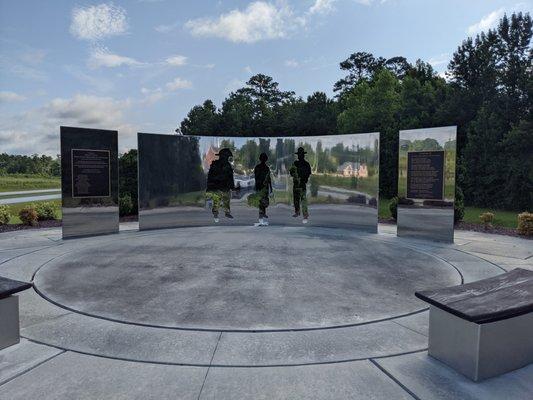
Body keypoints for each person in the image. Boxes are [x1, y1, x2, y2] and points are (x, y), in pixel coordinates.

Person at [206, 148, 237, 223]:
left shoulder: (228, 165)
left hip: (225, 187)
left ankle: (227, 213)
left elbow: (230, 177)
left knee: (226, 200)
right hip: (217, 186)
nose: (227, 158)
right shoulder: (215, 164)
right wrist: (210, 186)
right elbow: (210, 176)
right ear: (223, 156)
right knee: (217, 201)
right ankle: (216, 214)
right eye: (226, 156)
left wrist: (232, 187)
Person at [291, 147, 312, 223]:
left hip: (302, 183)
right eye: (299, 154)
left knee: (303, 199)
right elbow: (291, 173)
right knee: (296, 199)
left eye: (301, 154)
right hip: (296, 184)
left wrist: (304, 178)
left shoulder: (306, 164)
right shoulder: (295, 163)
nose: (300, 156)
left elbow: (309, 173)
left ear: (303, 155)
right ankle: (297, 212)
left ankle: (305, 214)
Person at [253, 152, 273, 226]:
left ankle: (263, 214)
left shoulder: (266, 168)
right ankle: (261, 217)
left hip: (264, 187)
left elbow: (269, 178)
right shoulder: (258, 167)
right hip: (261, 187)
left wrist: (271, 188)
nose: (264, 160)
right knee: (261, 202)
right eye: (263, 158)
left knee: (264, 201)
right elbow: (256, 177)